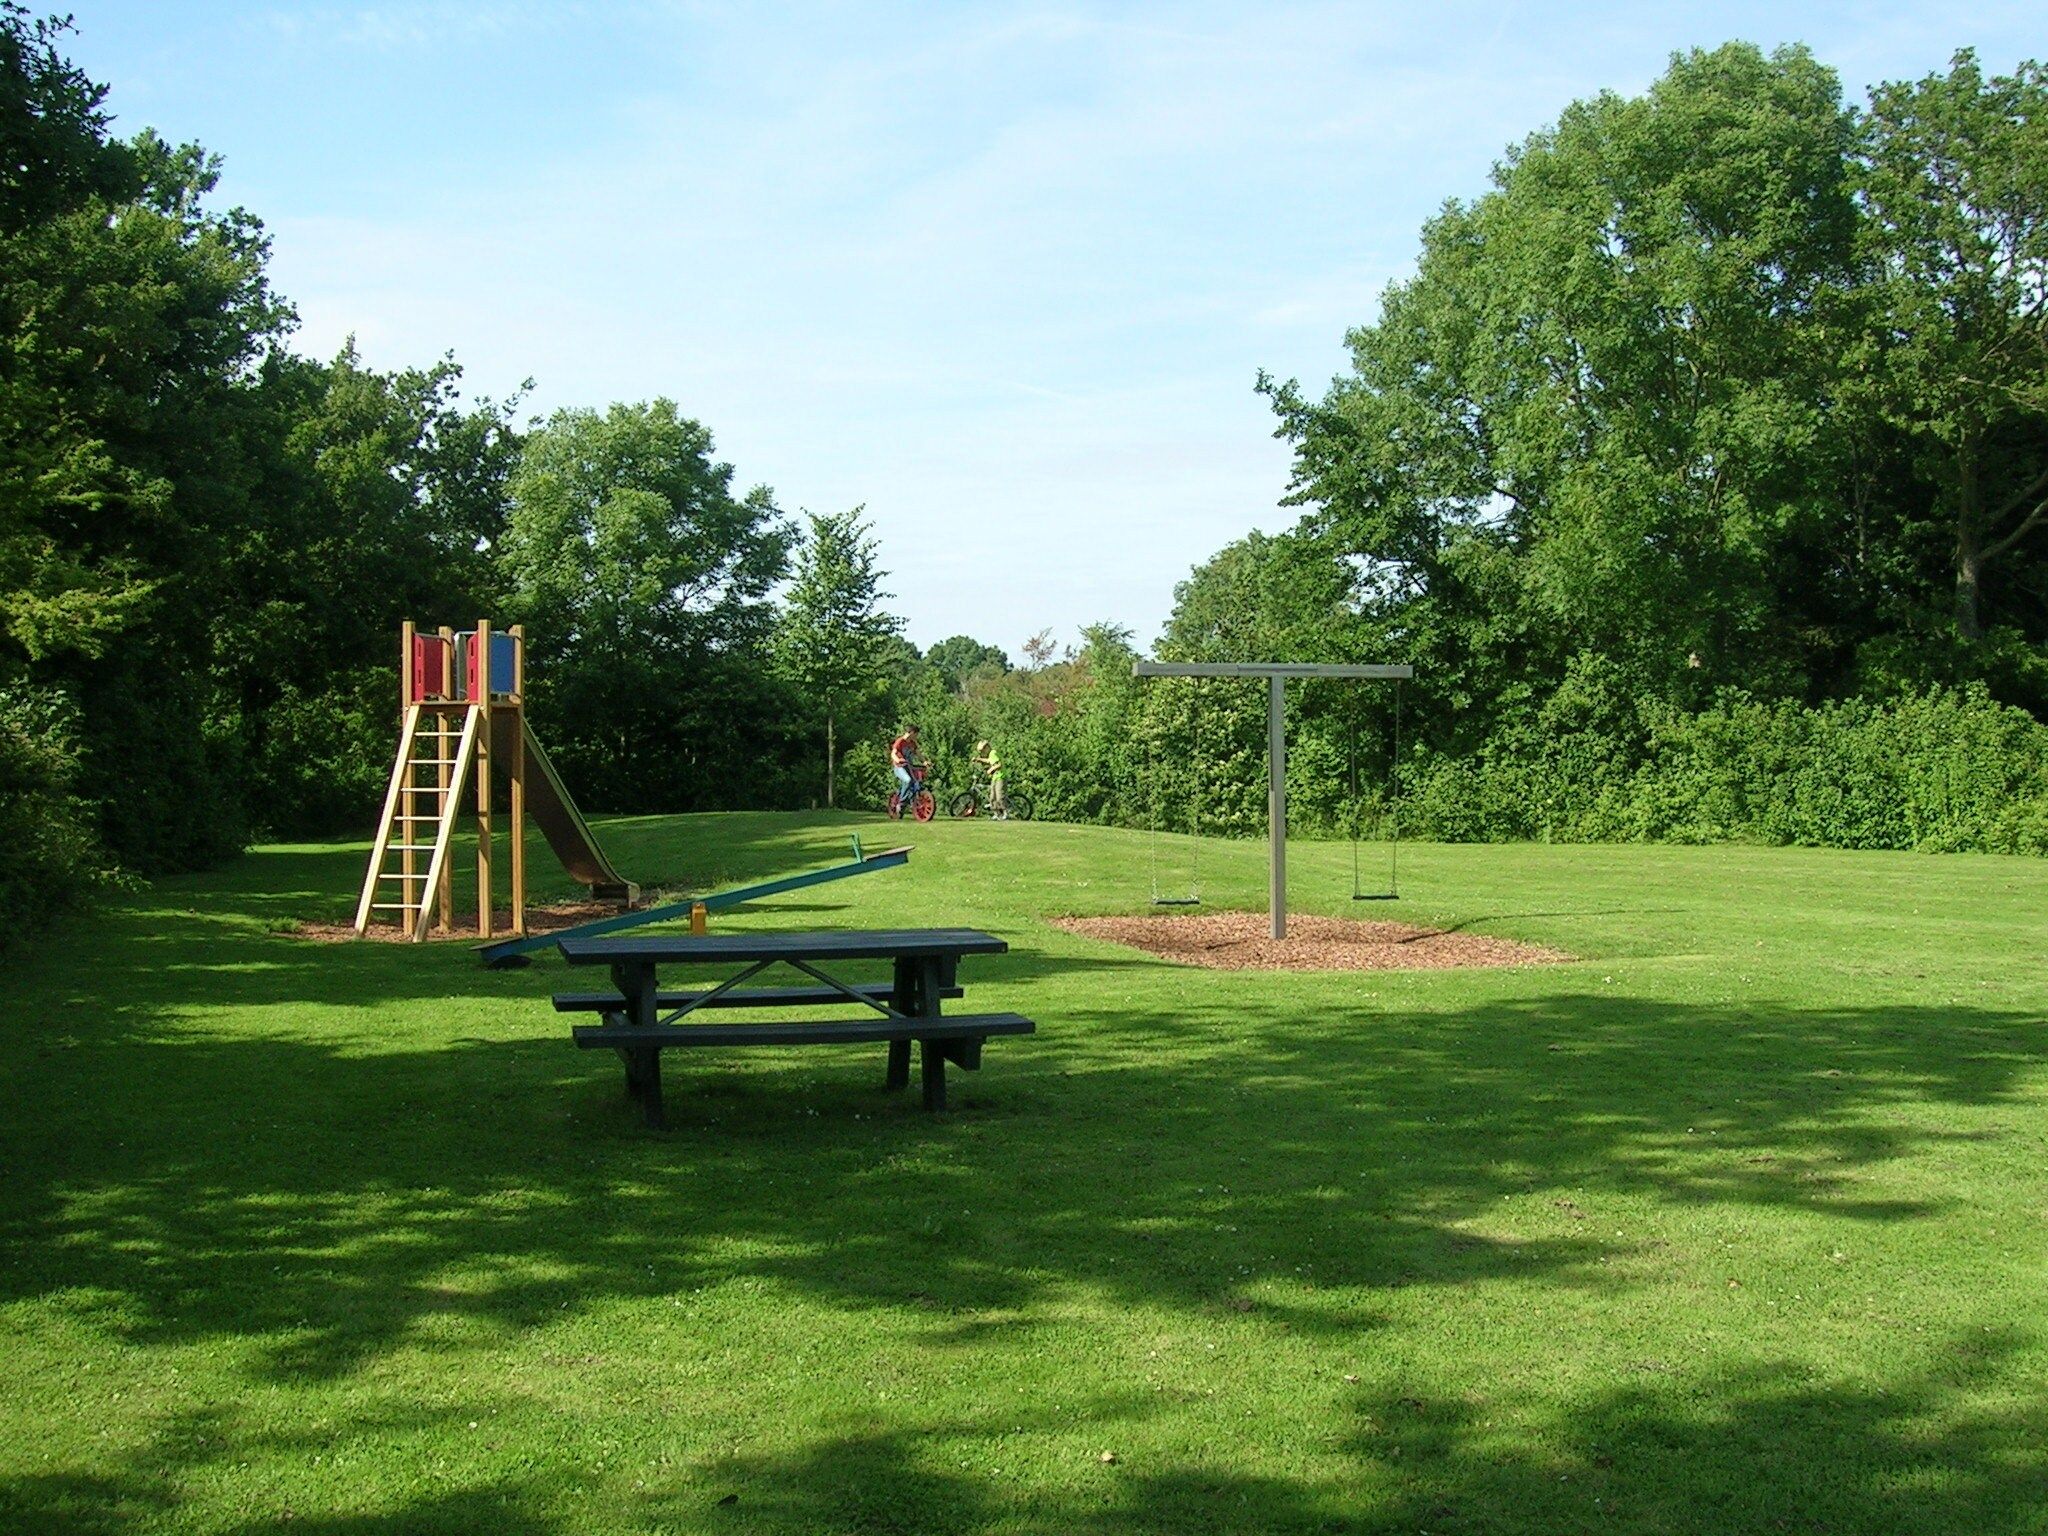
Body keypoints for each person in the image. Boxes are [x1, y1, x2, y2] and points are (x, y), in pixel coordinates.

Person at [889, 725, 923, 812]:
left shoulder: (912, 743)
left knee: (916, 781)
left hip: (909, 766)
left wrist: (924, 762)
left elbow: (918, 754)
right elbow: (893, 753)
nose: (916, 736)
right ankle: (901, 803)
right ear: (912, 733)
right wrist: (898, 760)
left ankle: (912, 800)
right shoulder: (900, 741)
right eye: (916, 734)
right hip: (899, 767)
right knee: (907, 780)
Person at [973, 738, 1008, 816]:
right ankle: (997, 814)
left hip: (1000, 777)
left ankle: (1005, 813)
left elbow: (999, 764)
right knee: (992, 797)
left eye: (982, 750)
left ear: (987, 747)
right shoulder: (991, 755)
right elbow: (989, 761)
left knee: (999, 796)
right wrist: (978, 759)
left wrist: (990, 770)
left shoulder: (993, 753)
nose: (982, 752)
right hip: (995, 777)